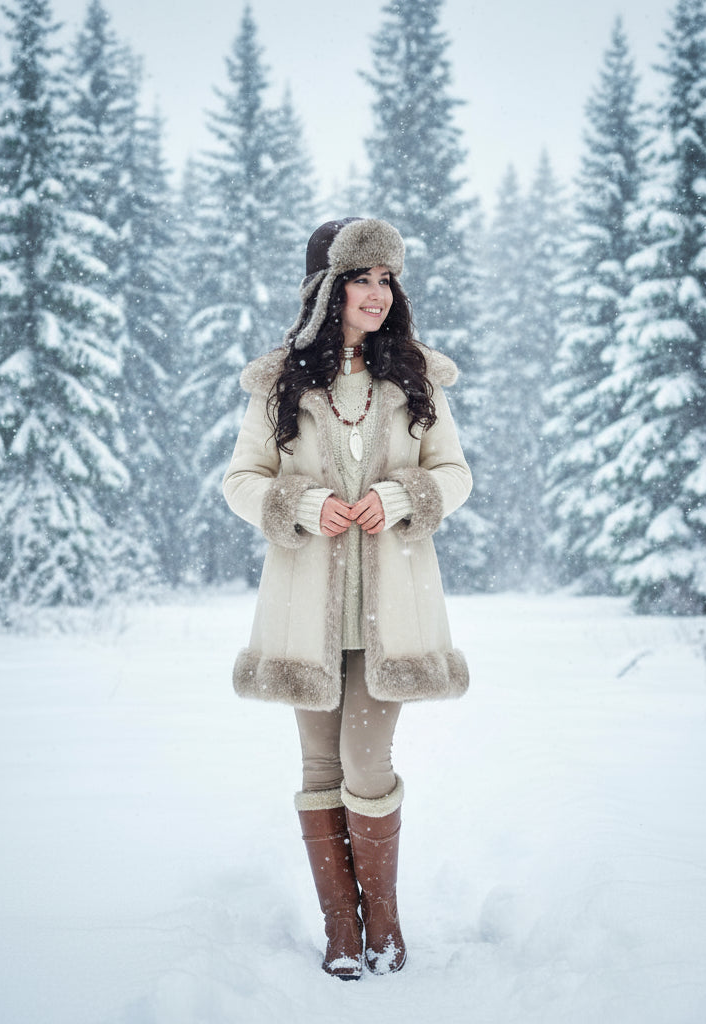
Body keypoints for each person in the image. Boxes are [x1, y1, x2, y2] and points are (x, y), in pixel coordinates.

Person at [222, 217, 472, 980]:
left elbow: (455, 473)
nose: (376, 293)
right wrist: (300, 506)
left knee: (368, 766)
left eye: (386, 279)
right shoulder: (282, 383)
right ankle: (341, 930)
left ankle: (385, 926)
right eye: (361, 278)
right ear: (327, 290)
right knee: (319, 768)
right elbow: (240, 481)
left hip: (393, 614)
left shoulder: (416, 377)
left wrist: (403, 496)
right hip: (306, 615)